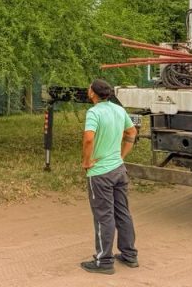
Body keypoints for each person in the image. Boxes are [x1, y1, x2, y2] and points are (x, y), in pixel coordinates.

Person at [80, 79, 139, 274]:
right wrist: (121, 156)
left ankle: (104, 261)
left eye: (89, 87)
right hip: (119, 170)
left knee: (103, 216)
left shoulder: (94, 112)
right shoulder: (119, 110)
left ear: (92, 93)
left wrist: (86, 162)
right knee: (122, 212)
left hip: (100, 173)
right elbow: (132, 132)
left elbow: (89, 138)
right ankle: (129, 255)